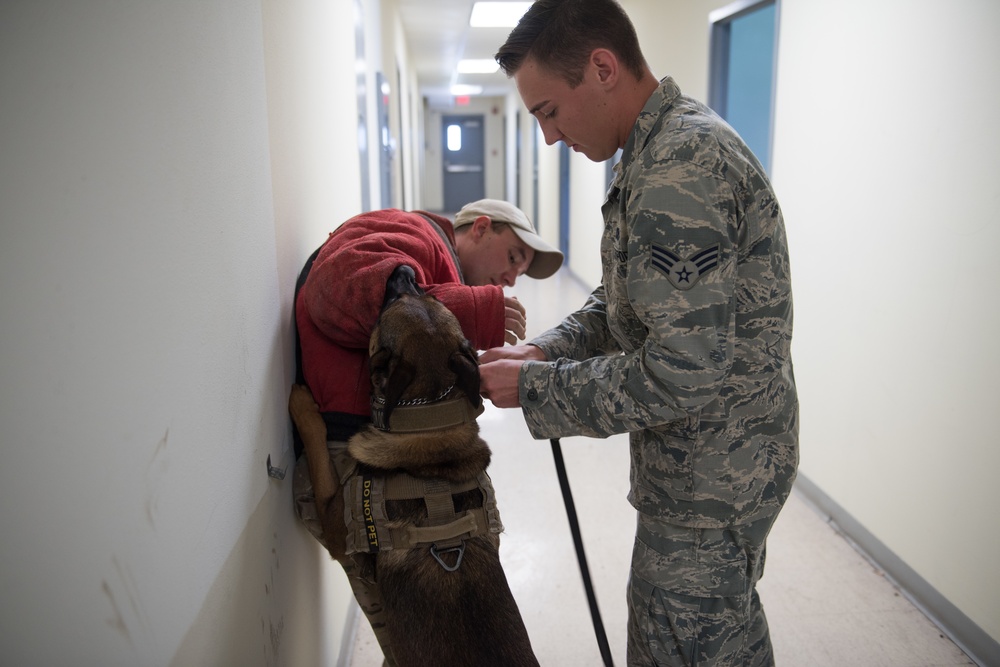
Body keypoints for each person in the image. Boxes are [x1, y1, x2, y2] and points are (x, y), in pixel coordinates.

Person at [479, 1, 798, 665]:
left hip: (712, 481)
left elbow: (679, 369)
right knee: (716, 641)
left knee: (679, 646)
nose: (547, 137)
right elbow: (625, 303)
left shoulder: (680, 168)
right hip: (707, 469)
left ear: (602, 68)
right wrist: (546, 348)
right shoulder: (648, 155)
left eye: (548, 112)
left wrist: (540, 389)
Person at [292, 198, 563, 666]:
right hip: (356, 462)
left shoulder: (434, 268)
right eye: (515, 256)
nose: (513, 277)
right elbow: (332, 287)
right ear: (480, 228)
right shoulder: (410, 232)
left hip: (395, 459)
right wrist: (469, 311)